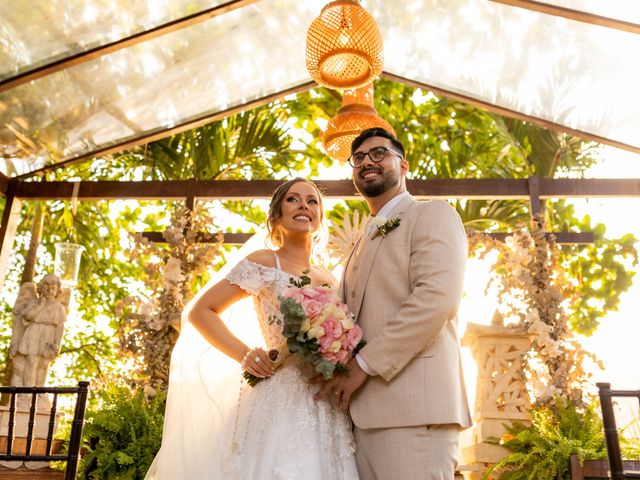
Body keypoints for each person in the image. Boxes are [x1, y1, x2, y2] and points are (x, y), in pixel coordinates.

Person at [146, 178, 359, 480]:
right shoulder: (264, 262)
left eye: (312, 201)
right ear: (275, 217)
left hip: (324, 398)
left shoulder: (328, 279)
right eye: (293, 199)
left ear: (320, 217)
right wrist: (245, 354)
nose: (304, 205)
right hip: (279, 393)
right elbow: (201, 312)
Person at [315, 128, 472, 479]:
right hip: (361, 419)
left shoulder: (432, 214)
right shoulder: (361, 239)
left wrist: (363, 366)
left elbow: (435, 299)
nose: (367, 162)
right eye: (358, 158)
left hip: (416, 413)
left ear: (403, 166)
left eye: (378, 153)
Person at [10, 273, 67, 390]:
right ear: (41, 288)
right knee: (31, 361)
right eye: (46, 287)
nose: (49, 290)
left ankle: (39, 390)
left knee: (44, 364)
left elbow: (60, 327)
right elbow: (27, 316)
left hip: (48, 336)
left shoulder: (59, 307)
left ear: (57, 290)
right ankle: (28, 391)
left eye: (53, 288)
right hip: (33, 333)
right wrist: (41, 305)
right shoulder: (34, 303)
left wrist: (57, 343)